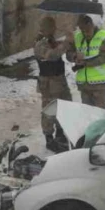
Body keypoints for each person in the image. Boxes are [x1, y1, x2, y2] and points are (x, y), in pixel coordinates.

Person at [33, 16, 72, 152]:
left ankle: (61, 134)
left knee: (65, 106)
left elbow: (60, 51)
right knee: (50, 110)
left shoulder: (51, 40)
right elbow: (52, 55)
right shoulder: (40, 43)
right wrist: (66, 43)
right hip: (48, 83)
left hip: (59, 80)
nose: (55, 29)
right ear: (47, 28)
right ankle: (49, 138)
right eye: (52, 27)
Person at [69, 15, 105, 109]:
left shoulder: (104, 36)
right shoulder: (77, 37)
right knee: (88, 116)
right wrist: (74, 56)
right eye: (82, 30)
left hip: (101, 85)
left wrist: (85, 62)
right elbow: (69, 53)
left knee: (102, 116)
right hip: (84, 86)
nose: (85, 33)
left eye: (87, 30)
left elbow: (104, 57)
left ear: (92, 25)